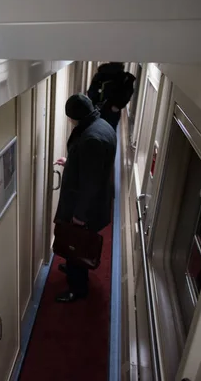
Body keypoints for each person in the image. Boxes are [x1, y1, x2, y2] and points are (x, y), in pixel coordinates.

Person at [53, 94, 117, 303]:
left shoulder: (91, 138)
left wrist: (80, 215)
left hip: (86, 207)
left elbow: (90, 184)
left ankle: (77, 288)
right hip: (96, 201)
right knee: (77, 242)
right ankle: (74, 267)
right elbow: (94, 167)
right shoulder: (102, 125)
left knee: (77, 241)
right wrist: (71, 162)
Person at [87, 62, 136, 130]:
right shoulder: (125, 78)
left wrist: (95, 102)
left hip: (97, 109)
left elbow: (91, 92)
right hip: (112, 112)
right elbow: (127, 95)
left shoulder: (100, 74)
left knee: (95, 130)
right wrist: (118, 106)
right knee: (110, 131)